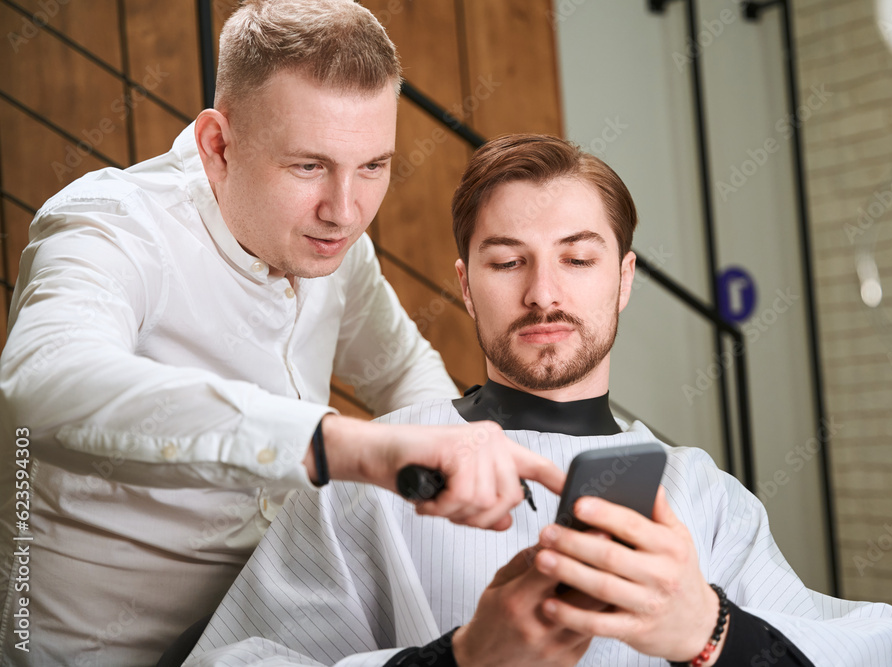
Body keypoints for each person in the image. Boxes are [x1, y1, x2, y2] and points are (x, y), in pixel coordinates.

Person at [184, 134, 892, 666]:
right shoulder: (374, 473)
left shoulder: (707, 495)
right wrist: (462, 661)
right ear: (466, 286)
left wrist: (711, 630)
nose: (544, 293)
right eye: (507, 261)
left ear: (623, 280)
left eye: (578, 257)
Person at [0, 3, 562, 665]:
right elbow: (40, 385)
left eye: (374, 166)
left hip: (272, 639)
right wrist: (338, 445)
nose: (346, 210)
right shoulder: (110, 224)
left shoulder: (335, 243)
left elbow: (403, 371)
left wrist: (472, 472)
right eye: (307, 167)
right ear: (218, 145)